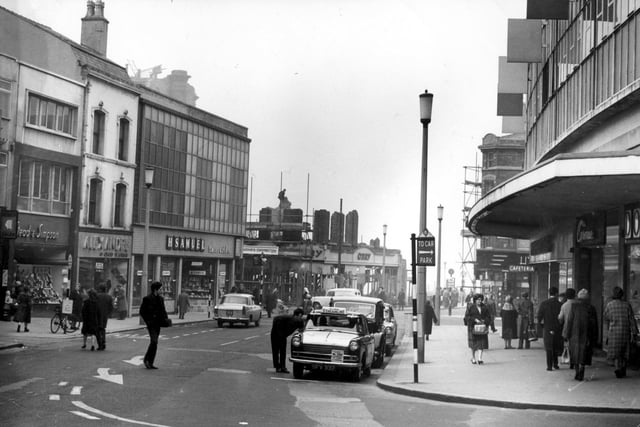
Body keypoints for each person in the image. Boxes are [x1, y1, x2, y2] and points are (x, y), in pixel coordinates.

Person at [563, 288, 598, 381]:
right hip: (587, 335)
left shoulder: (574, 307)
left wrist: (566, 334)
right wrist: (595, 337)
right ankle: (582, 368)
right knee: (584, 353)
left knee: (575, 353)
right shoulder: (591, 308)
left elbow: (569, 321)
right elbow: (594, 324)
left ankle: (577, 370)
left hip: (574, 334)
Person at [603, 286, 639, 378]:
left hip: (614, 332)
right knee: (624, 351)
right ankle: (623, 368)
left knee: (616, 352)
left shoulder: (609, 305)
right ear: (622, 295)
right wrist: (634, 332)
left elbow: (606, 317)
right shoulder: (627, 305)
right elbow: (632, 320)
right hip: (625, 331)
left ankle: (617, 368)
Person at [140, 281, 170, 369]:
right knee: (154, 341)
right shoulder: (147, 299)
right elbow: (142, 311)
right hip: (151, 324)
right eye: (160, 289)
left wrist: (166, 319)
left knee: (155, 343)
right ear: (155, 289)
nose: (162, 290)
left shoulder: (161, 299)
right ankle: (147, 360)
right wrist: (148, 321)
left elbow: (163, 310)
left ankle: (150, 361)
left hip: (158, 324)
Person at [270, 307, 305, 373]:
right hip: (276, 334)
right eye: (300, 316)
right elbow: (276, 320)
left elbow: (302, 329)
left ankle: (283, 367)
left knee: (283, 351)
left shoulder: (299, 321)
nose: (300, 318)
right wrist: (281, 335)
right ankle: (277, 367)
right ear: (296, 315)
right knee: (276, 350)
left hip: (283, 335)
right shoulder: (284, 318)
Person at [537, 287, 563, 371]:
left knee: (548, 347)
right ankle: (555, 364)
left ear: (549, 293)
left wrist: (542, 326)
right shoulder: (560, 304)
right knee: (555, 346)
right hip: (557, 328)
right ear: (556, 294)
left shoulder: (544, 303)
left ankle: (549, 366)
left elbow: (539, 317)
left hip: (547, 328)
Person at [464, 293, 491, 364]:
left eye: (480, 299)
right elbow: (467, 317)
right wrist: (474, 320)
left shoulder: (485, 307)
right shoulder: (470, 307)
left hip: (482, 328)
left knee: (481, 343)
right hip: (473, 328)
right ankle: (473, 358)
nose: (479, 301)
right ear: (475, 300)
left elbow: (489, 317)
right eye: (478, 300)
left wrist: (484, 320)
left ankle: (479, 358)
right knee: (473, 344)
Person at [96, 284, 114, 351]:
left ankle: (100, 344)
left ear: (100, 289)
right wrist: (108, 313)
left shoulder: (97, 296)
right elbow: (111, 307)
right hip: (104, 315)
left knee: (98, 329)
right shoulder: (109, 297)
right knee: (103, 328)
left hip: (97, 315)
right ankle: (103, 342)